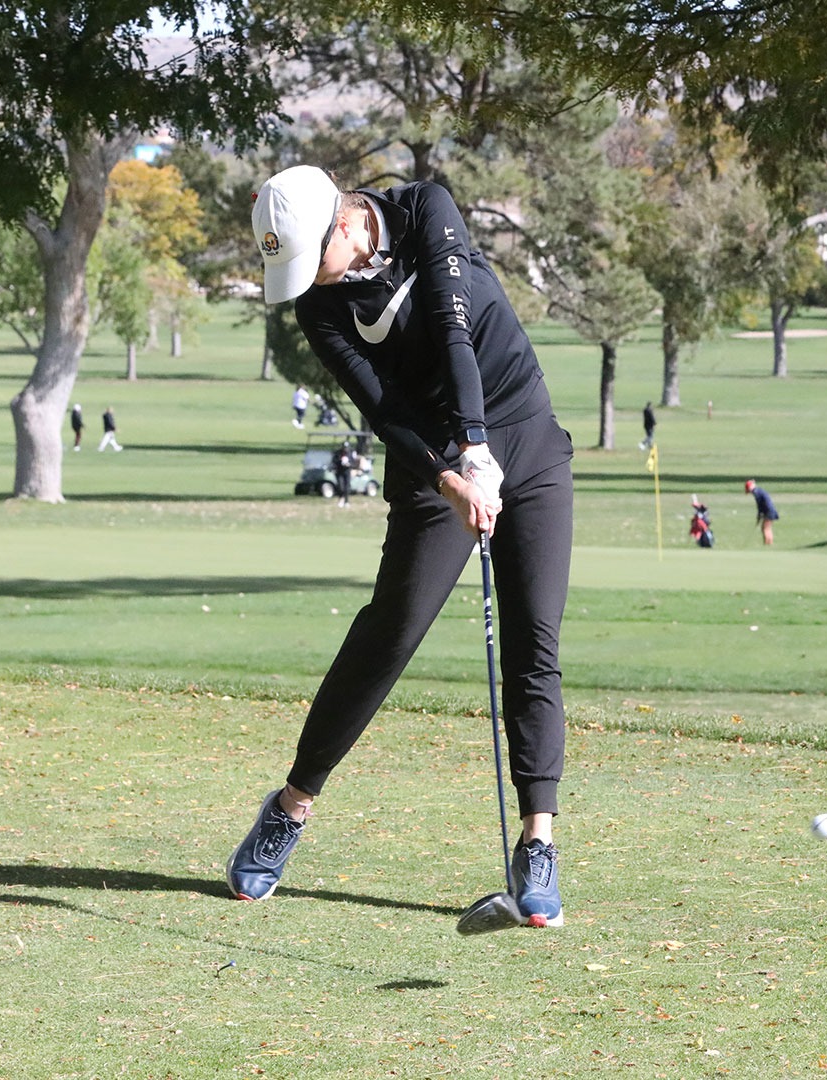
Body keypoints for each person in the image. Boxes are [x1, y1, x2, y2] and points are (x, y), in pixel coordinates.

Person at [231, 164, 575, 928]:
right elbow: (384, 407)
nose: (307, 279)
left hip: (527, 433)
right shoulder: (318, 309)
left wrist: (481, 444)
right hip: (432, 461)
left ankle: (538, 843)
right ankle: (291, 806)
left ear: (345, 225)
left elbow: (456, 326)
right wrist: (453, 474)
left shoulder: (425, 208)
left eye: (310, 258)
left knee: (534, 638)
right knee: (392, 631)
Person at [745, 479, 778, 545]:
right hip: (771, 510)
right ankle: (770, 544)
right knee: (768, 527)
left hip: (768, 511)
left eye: (748, 490)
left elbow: (760, 505)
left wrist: (759, 516)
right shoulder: (759, 490)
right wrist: (760, 515)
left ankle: (767, 544)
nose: (749, 492)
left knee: (765, 528)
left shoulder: (756, 492)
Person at [331, 440, 356, 507]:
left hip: (347, 472)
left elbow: (353, 463)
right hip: (339, 471)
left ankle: (346, 501)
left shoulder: (351, 453)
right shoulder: (338, 453)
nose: (345, 449)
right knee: (341, 486)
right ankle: (341, 499)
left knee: (347, 487)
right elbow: (334, 462)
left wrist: (349, 464)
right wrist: (340, 462)